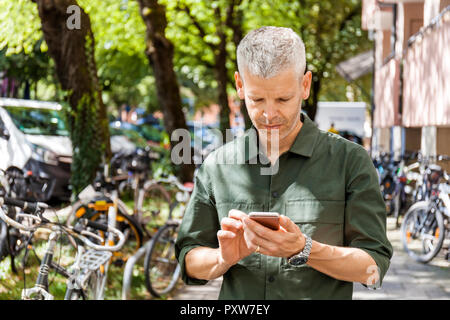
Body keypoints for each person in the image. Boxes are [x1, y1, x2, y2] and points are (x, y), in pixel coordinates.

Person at [175, 26, 393, 300]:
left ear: (305, 85)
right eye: (257, 99)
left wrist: (304, 248)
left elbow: (373, 267)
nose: (269, 114)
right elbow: (188, 259)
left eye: (282, 99)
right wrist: (223, 258)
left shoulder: (350, 161)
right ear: (240, 86)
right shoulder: (217, 165)